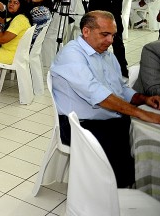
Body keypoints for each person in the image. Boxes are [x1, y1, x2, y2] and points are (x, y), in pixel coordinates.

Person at [51, 11, 160, 187]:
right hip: (78, 125)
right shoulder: (72, 54)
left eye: (113, 35)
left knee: (140, 140)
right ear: (86, 31)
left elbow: (121, 88)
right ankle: (118, 197)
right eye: (105, 34)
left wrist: (143, 99)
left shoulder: (106, 54)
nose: (110, 41)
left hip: (106, 119)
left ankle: (133, 188)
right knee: (125, 148)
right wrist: (140, 113)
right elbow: (97, 94)